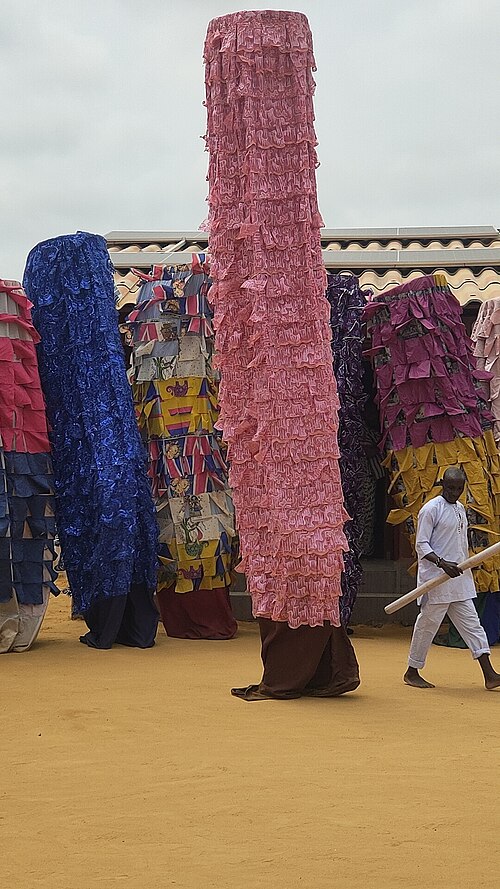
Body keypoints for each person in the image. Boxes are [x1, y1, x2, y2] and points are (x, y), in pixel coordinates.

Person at [404, 466, 500, 690]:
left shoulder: (460, 508)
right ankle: (412, 671)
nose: (454, 493)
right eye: (450, 488)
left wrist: (458, 567)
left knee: (473, 626)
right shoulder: (430, 509)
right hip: (436, 581)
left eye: (458, 489)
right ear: (442, 485)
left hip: (459, 581)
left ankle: (489, 675)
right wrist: (442, 563)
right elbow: (421, 545)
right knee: (427, 626)